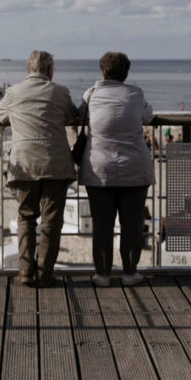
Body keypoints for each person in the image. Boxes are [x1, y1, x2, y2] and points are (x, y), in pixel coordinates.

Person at [0, 50, 78, 288]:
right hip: (56, 163)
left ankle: (25, 272)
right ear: (50, 70)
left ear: (28, 68)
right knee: (52, 221)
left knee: (26, 217)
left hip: (25, 163)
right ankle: (45, 273)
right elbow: (72, 116)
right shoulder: (60, 92)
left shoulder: (13, 92)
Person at [78, 52, 154, 288]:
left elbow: (80, 116)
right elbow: (148, 117)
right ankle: (130, 273)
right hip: (134, 169)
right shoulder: (135, 93)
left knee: (102, 224)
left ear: (103, 71)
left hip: (100, 170)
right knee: (132, 224)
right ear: (126, 73)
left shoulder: (91, 94)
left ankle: (102, 274)